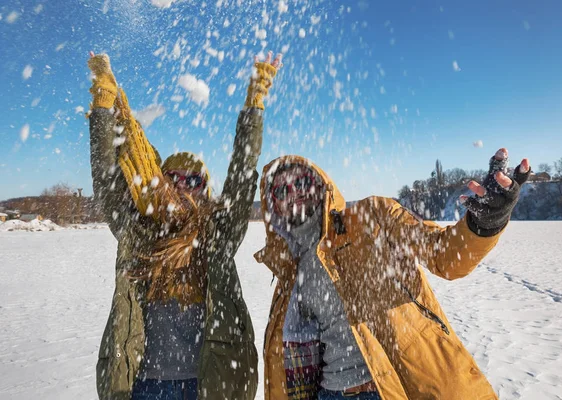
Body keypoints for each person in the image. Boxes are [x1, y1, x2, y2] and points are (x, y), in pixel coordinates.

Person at [254, 149, 530, 400]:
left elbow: (445, 256)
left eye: (301, 183)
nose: (294, 192)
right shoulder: (291, 267)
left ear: (321, 185)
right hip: (330, 394)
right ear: (273, 204)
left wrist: (484, 222)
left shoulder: (372, 217)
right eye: (281, 190)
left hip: (396, 386)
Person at [88, 50, 282, 399]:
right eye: (173, 178)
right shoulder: (140, 230)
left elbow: (242, 173)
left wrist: (255, 101)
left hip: (206, 383)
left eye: (193, 181)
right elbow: (106, 178)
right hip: (142, 384)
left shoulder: (216, 234)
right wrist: (103, 102)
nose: (182, 186)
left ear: (205, 190)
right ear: (160, 182)